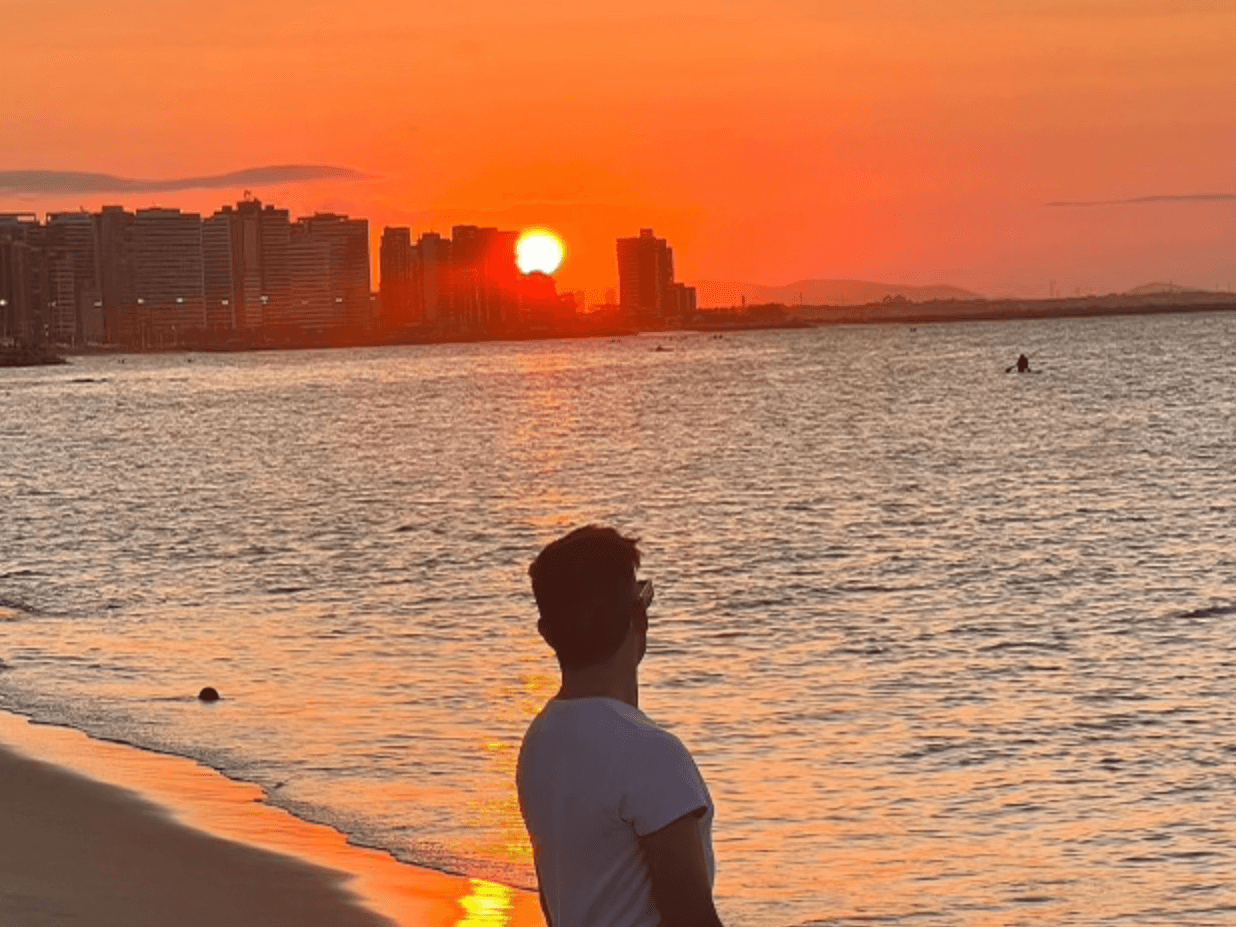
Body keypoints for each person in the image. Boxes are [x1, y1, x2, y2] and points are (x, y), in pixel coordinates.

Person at [517, 526, 722, 927]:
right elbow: (691, 918)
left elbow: (554, 901)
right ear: (637, 619)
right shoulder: (652, 754)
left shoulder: (539, 741)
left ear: (547, 635)